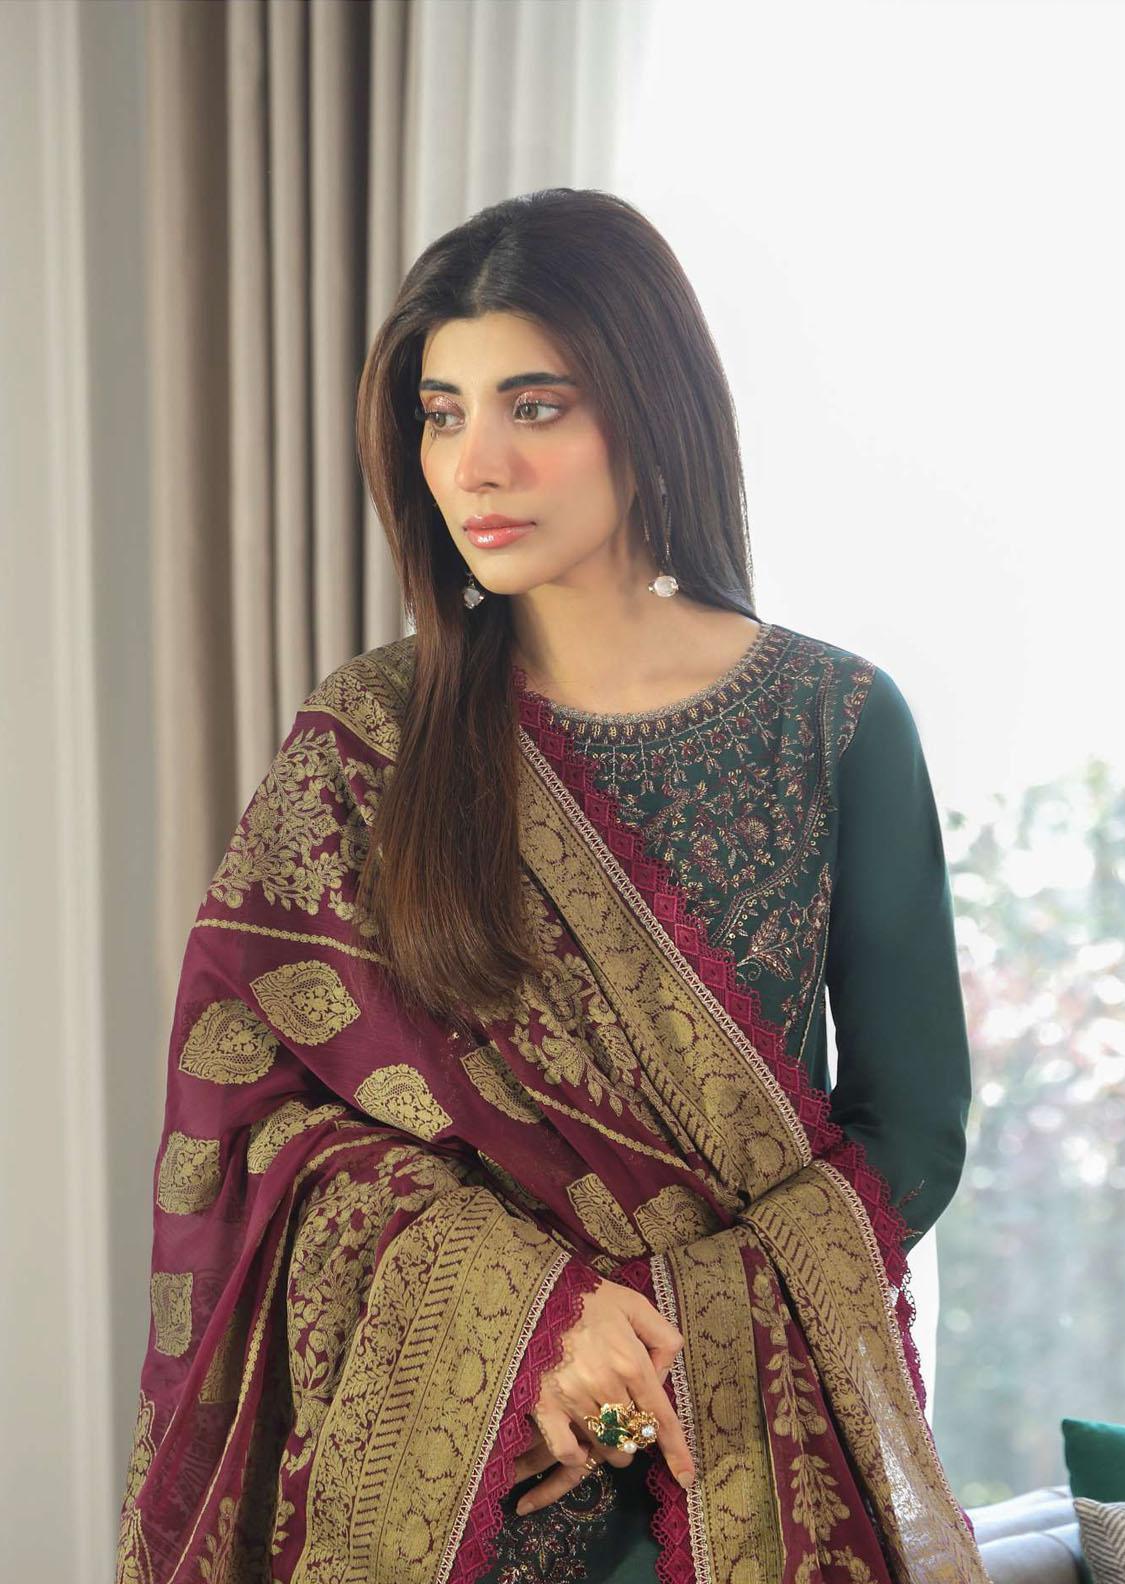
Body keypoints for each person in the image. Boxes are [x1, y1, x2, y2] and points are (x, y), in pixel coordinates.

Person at [115, 188, 989, 1584]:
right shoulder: (370, 742)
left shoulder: (834, 723)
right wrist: (532, 1327)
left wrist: (639, 1349)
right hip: (464, 1472)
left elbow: (915, 1129)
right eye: (440, 413)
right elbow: (255, 1116)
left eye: (535, 406)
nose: (477, 465)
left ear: (650, 412)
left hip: (752, 1451)